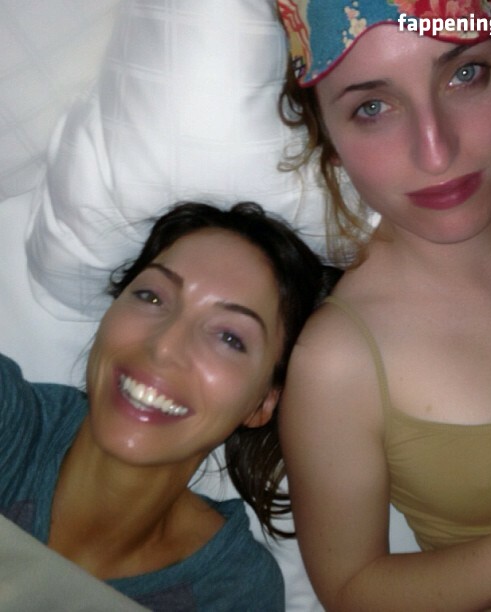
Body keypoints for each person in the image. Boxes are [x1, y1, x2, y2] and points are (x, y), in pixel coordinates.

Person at [277, 0, 491, 609]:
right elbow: (352, 590)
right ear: (332, 143)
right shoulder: (337, 364)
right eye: (372, 107)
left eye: (465, 74)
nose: (436, 151)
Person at [0, 201, 333, 611]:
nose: (164, 346)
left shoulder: (231, 591)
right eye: (152, 297)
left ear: (261, 404)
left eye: (230, 338)